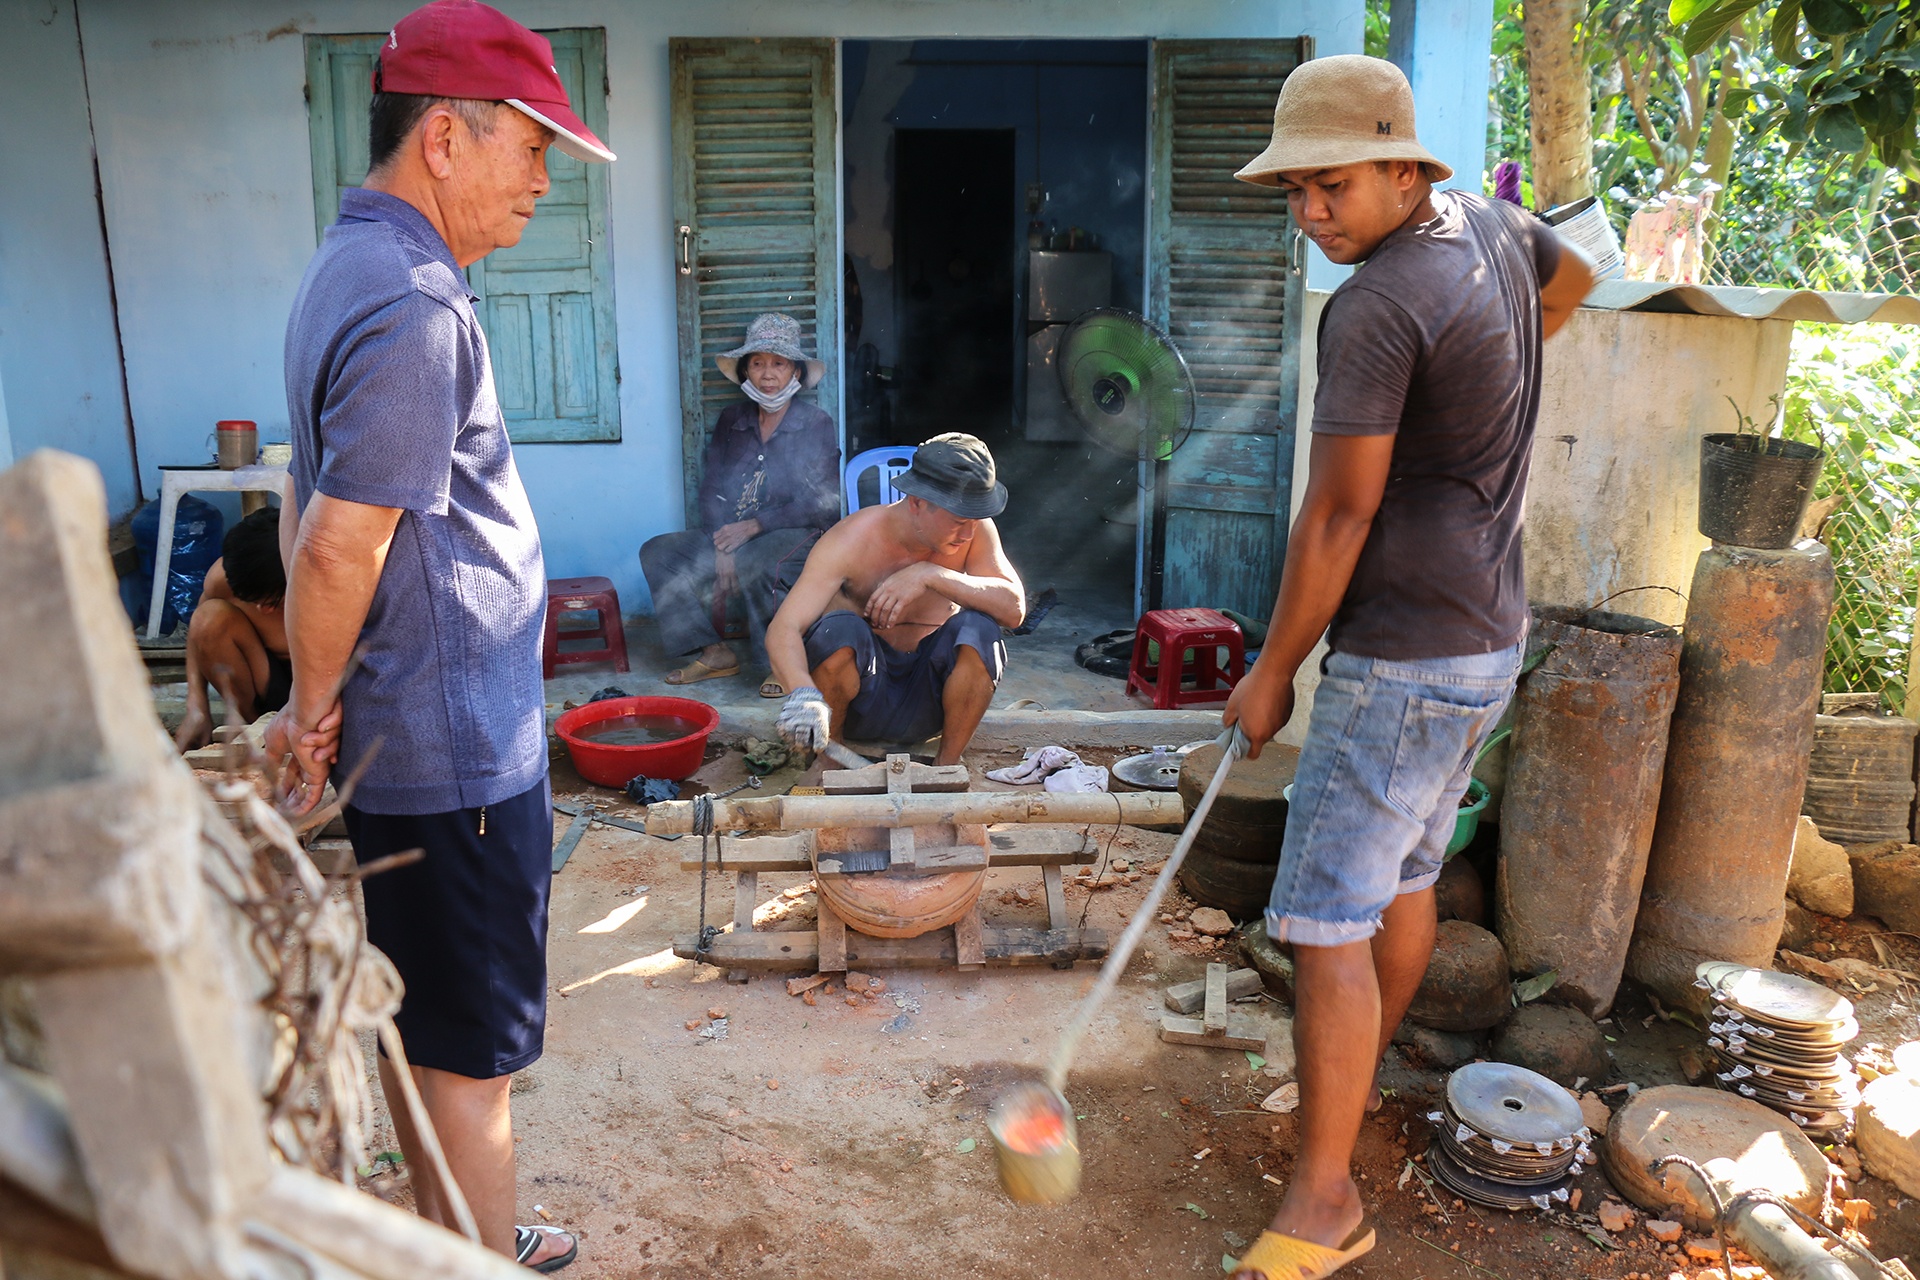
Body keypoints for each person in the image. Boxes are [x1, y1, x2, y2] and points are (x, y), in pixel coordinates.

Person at [1218, 56, 1594, 1280]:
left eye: (1329, 184)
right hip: (1488, 635)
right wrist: (1479, 398)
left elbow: (1337, 515)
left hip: (1400, 657)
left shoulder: (1378, 305)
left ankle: (1324, 1199)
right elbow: (1576, 276)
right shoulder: (1491, 227)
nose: (1310, 212)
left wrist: (1274, 668)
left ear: (1400, 165)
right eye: (1294, 191)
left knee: (1326, 918)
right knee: (1409, 876)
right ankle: (1355, 1085)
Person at [266, 1, 616, 1270]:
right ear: (445, 139)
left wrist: (324, 694)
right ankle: (475, 1254)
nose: (542, 180)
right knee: (471, 1060)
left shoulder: (348, 264)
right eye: (532, 147)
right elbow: (336, 543)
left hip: (411, 734)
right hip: (454, 753)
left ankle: (444, 1242)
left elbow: (304, 491)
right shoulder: (414, 301)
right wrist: (312, 704)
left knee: (426, 1031)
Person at [767, 434, 1023, 766]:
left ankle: (947, 764)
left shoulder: (975, 531)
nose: (968, 534)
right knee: (839, 629)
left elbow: (1014, 609)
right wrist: (804, 694)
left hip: (930, 703)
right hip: (859, 704)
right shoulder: (851, 539)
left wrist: (932, 575)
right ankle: (828, 761)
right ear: (917, 502)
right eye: (959, 521)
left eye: (975, 520)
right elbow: (784, 627)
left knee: (979, 629)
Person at [639, 312, 840, 697]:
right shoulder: (732, 419)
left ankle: (779, 663)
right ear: (746, 372)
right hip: (731, 533)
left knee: (759, 562)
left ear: (796, 373)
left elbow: (822, 503)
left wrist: (755, 527)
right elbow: (712, 487)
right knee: (659, 552)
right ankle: (714, 652)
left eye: (779, 364)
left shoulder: (815, 423)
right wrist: (722, 544)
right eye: (758, 363)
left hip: (795, 531)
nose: (768, 374)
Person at [175, 507, 292, 751]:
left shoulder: (325, 581)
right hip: (268, 684)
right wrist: (197, 703)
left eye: (273, 602)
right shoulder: (223, 578)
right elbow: (199, 628)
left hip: (325, 687)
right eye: (254, 601)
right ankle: (255, 727)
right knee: (209, 618)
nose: (263, 610)